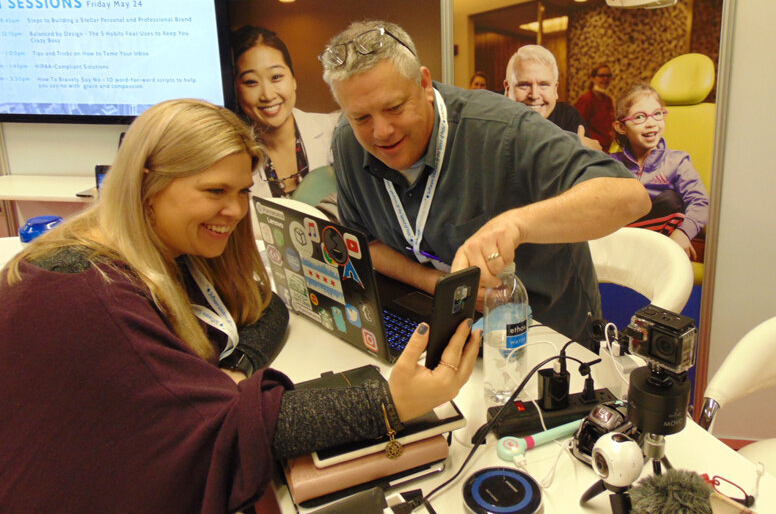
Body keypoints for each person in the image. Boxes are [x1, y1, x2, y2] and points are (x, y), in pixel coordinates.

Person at [0, 99, 480, 514]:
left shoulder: (159, 254)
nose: (233, 211)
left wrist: (236, 367)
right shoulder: (89, 293)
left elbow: (264, 306)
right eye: (215, 191)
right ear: (149, 183)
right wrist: (392, 403)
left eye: (242, 192)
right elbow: (240, 427)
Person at [321, 20, 650, 342]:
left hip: (546, 335)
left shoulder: (502, 129)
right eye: (361, 117)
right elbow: (366, 243)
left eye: (394, 107)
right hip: (443, 325)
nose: (381, 132)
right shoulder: (348, 142)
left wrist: (515, 224)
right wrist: (438, 282)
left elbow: (630, 196)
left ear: (423, 83)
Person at [232, 25, 339, 199]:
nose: (267, 95)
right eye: (251, 82)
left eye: (276, 77)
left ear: (293, 79)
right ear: (236, 90)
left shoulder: (334, 131)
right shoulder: (232, 158)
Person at [610, 84, 709, 260]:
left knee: (671, 199)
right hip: (621, 242)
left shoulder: (677, 161)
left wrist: (683, 233)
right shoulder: (611, 163)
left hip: (662, 247)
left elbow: (700, 202)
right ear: (621, 127)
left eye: (657, 114)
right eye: (640, 117)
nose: (651, 123)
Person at [502, 44, 601, 150]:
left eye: (543, 85)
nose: (534, 95)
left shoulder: (568, 117)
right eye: (524, 85)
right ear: (507, 89)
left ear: (555, 89)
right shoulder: (492, 121)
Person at [575, 63, 616, 151]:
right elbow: (578, 126)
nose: (605, 79)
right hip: (593, 149)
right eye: (602, 76)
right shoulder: (587, 99)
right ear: (593, 78)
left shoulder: (607, 99)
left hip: (608, 148)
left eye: (608, 76)